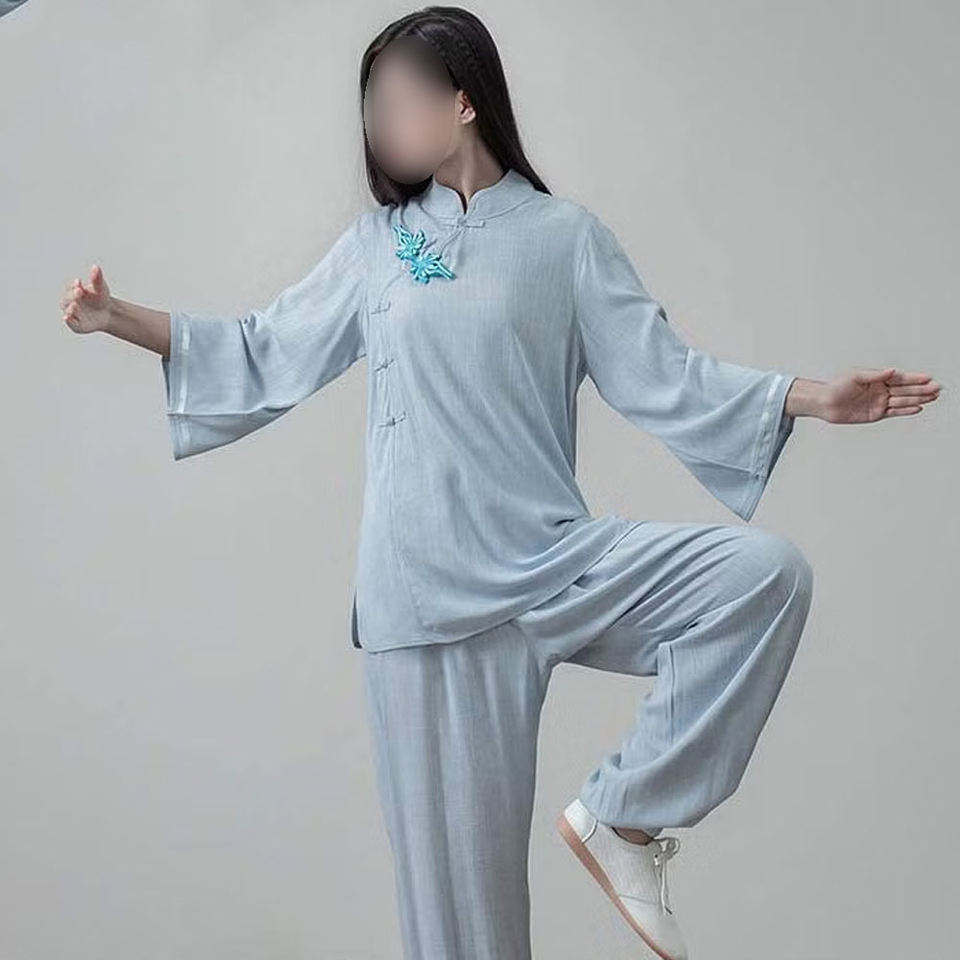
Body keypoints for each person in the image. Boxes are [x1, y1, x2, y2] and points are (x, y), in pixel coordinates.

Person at [60, 7, 940, 960]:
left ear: (465, 101)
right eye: (371, 109)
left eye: (398, 99)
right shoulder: (378, 247)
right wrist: (117, 318)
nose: (379, 124)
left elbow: (664, 375)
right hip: (427, 595)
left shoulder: (565, 238)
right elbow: (263, 349)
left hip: (554, 559)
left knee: (764, 578)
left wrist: (815, 398)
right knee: (464, 932)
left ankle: (624, 814)